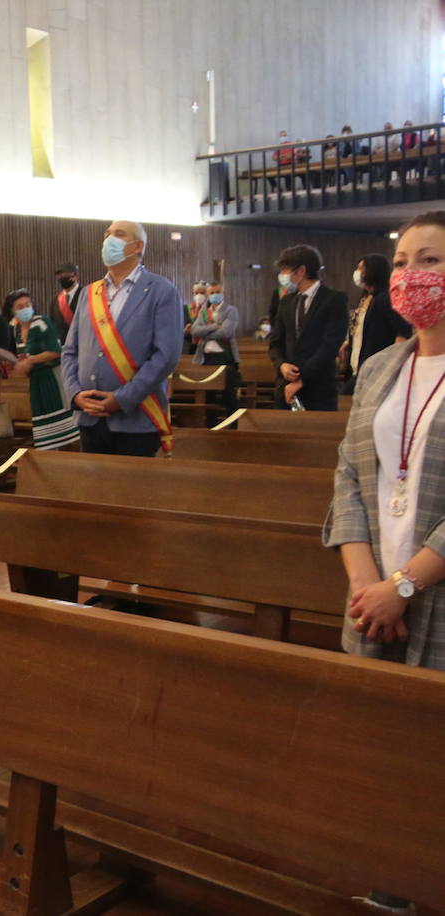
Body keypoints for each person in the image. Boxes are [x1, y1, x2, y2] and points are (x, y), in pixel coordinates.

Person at [324, 210, 445, 916]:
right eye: (400, 262)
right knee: (378, 762)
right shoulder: (379, 366)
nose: (408, 276)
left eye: (428, 259)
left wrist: (405, 584)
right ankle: (387, 887)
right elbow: (348, 476)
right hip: (371, 600)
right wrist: (367, 584)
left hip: (431, 595)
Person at [62, 221, 182, 457]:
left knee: (132, 493)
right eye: (107, 234)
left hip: (137, 419)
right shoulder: (89, 293)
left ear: (137, 246)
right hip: (90, 418)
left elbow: (165, 356)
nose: (109, 240)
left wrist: (123, 398)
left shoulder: (161, 290)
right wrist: (75, 394)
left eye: (118, 234)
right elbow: (69, 351)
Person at [267, 244, 350, 411]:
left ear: (301, 271)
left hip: (318, 386)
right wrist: (281, 364)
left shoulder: (334, 299)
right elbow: (275, 342)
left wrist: (302, 378)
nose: (282, 276)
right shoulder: (286, 301)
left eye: (285, 270)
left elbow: (330, 346)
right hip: (286, 385)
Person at [8, 289, 79, 450]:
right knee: (45, 436)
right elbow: (23, 354)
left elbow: (55, 351)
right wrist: (19, 364)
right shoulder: (17, 330)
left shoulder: (41, 322)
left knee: (66, 432)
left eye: (28, 304)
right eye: (20, 306)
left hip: (52, 378)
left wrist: (30, 360)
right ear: (13, 310)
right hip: (36, 382)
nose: (25, 308)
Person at [343, 253, 410, 394]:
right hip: (357, 365)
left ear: (374, 270)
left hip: (375, 367)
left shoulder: (386, 298)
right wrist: (348, 343)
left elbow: (402, 330)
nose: (357, 272)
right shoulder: (366, 297)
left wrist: (394, 360)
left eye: (361, 268)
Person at [189, 281, 242, 419]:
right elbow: (194, 331)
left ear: (223, 293)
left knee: (229, 395)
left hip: (224, 356)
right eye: (212, 293)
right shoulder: (204, 312)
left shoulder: (231, 310)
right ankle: (210, 426)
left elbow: (226, 332)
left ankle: (234, 425)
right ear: (208, 294)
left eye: (217, 292)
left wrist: (204, 333)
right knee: (208, 395)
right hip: (207, 357)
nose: (215, 295)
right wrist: (213, 327)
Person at [49, 264, 82, 338]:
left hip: (82, 344)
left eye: (66, 274)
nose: (62, 277)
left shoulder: (86, 296)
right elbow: (52, 326)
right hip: (62, 347)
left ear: (75, 276)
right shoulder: (54, 301)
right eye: (60, 275)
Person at [184, 282, 209, 354]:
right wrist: (185, 330)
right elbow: (178, 329)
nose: (199, 295)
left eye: (202, 293)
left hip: (207, 346)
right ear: (193, 294)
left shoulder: (211, 308)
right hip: (189, 346)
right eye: (196, 293)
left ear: (207, 294)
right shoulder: (185, 308)